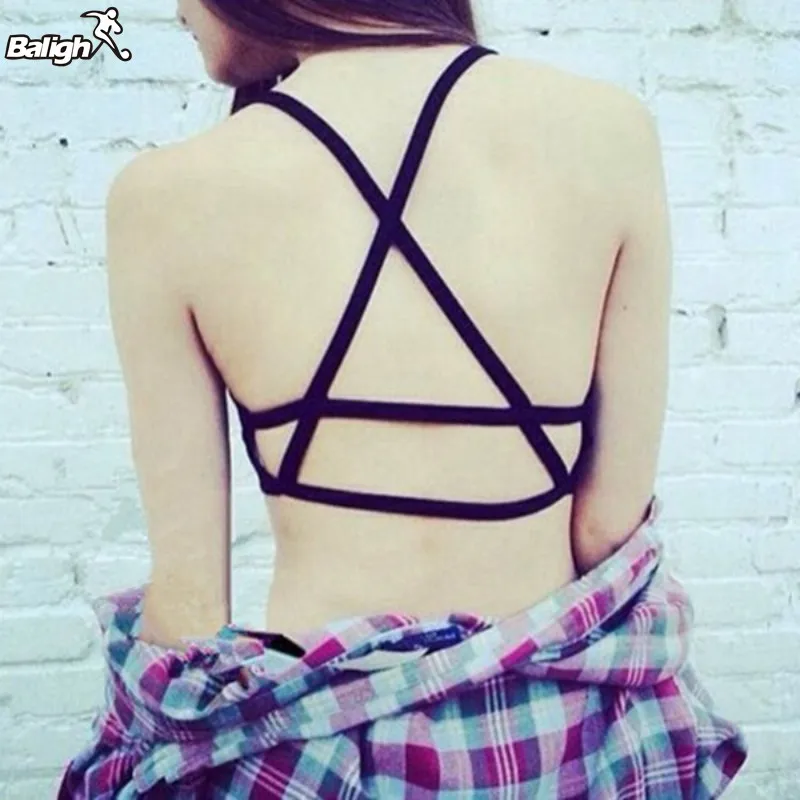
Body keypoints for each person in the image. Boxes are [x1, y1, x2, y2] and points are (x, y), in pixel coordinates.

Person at [58, 1, 747, 796]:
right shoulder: (610, 131)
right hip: (558, 740)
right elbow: (604, 529)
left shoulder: (162, 196)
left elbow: (189, 607)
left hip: (321, 751)